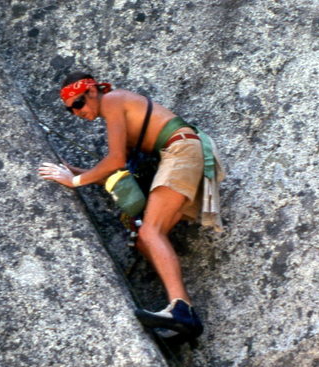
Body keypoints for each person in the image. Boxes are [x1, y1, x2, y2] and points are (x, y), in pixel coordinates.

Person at [38, 73, 223, 341]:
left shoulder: (112, 100)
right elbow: (116, 170)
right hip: (181, 154)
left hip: (181, 151)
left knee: (150, 232)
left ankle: (181, 309)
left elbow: (115, 160)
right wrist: (70, 172)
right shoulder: (115, 114)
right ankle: (185, 318)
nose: (77, 112)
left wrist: (75, 180)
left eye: (78, 104)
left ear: (91, 91)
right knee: (143, 240)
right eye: (70, 110)